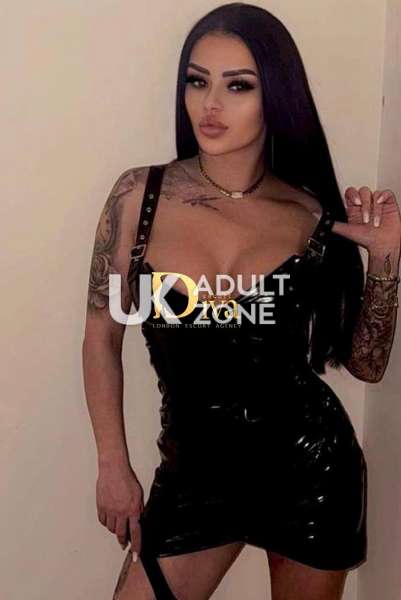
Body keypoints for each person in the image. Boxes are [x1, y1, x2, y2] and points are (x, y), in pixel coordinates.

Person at [82, 4, 401, 599]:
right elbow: (102, 336)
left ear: (274, 95)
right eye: (197, 80)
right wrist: (112, 465)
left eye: (238, 86)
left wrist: (384, 260)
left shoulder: (307, 215)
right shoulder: (139, 198)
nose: (211, 104)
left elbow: (366, 364)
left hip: (310, 468)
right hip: (193, 475)